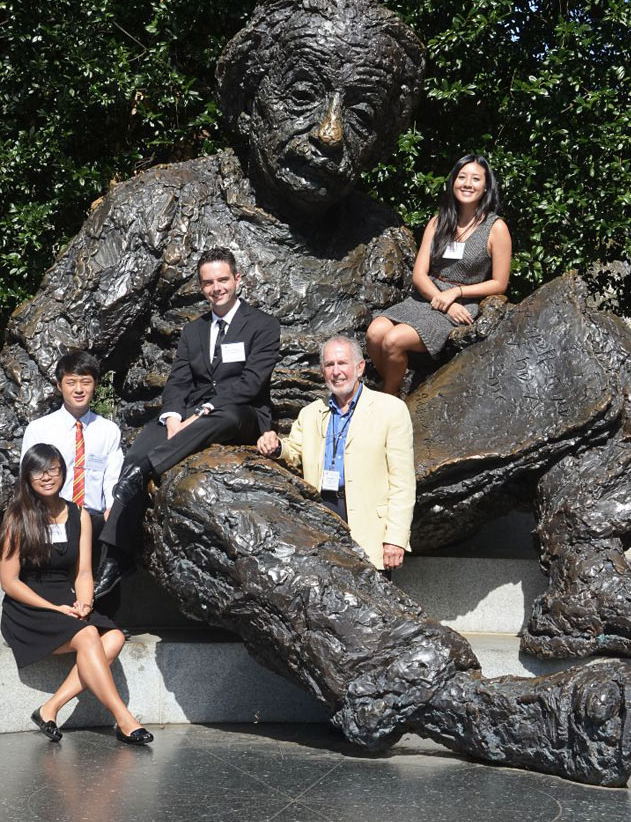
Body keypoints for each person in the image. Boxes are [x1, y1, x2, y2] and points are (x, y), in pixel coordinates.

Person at [94, 245, 281, 598]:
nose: (216, 288)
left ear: (237, 280)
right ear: (201, 287)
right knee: (139, 447)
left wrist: (202, 412)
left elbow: (251, 383)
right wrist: (173, 417)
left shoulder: (262, 325)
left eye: (223, 279)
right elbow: (178, 381)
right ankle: (114, 557)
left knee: (223, 414)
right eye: (208, 282)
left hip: (239, 413)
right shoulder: (192, 331)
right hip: (193, 414)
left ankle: (149, 467)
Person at [0, 443, 153, 745]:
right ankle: (124, 719)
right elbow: (9, 582)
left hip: (65, 599)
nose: (47, 477)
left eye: (53, 469)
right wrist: (55, 609)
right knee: (88, 636)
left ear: (63, 472)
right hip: (27, 605)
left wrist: (84, 603)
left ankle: (50, 708)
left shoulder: (78, 515)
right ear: (27, 477)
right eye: (39, 471)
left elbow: (83, 572)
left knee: (115, 636)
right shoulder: (17, 517)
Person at [257, 336, 415, 571]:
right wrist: (277, 446)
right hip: (323, 516)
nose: (336, 371)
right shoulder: (311, 413)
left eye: (343, 363)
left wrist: (395, 538)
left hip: (370, 525)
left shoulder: (391, 409)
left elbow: (403, 482)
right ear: (323, 371)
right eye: (330, 365)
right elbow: (294, 449)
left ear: (360, 368)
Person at [366, 155, 512, 394]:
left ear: (486, 187)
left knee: (393, 340)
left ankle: (389, 397)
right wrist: (441, 300)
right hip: (427, 297)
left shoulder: (496, 228)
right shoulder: (438, 221)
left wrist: (457, 293)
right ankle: (396, 387)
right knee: (375, 333)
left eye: (475, 179)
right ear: (453, 181)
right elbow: (420, 275)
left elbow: (499, 283)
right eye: (462, 177)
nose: (467, 184)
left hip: (461, 304)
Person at [21, 350, 123, 611]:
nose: (79, 389)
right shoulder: (40, 429)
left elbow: (113, 476)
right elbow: (28, 476)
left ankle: (102, 616)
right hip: (52, 514)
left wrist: (113, 506)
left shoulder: (108, 430)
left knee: (111, 533)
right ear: (59, 386)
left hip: (93, 518)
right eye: (71, 382)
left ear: (95, 385)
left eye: (86, 382)